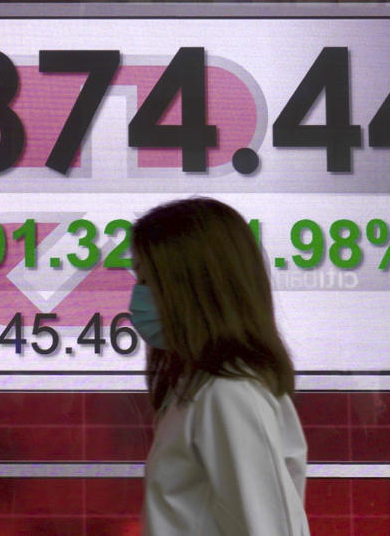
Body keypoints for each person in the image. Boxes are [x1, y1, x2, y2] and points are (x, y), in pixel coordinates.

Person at [128, 197, 309, 535]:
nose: (136, 297)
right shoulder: (197, 388)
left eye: (146, 281)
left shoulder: (229, 393)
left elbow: (265, 527)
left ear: (194, 287)